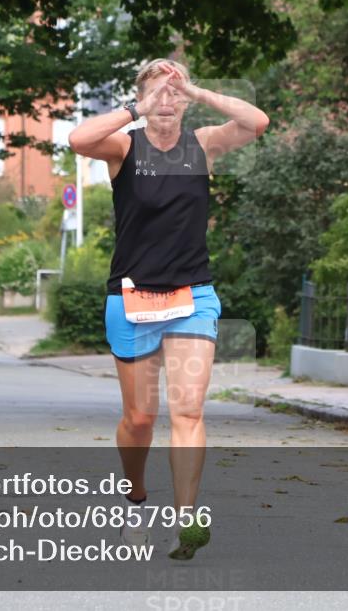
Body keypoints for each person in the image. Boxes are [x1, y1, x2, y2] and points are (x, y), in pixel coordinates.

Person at [68, 58, 268, 559]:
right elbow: (77, 139)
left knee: (188, 408)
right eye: (158, 90)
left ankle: (186, 521)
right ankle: (135, 499)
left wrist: (196, 90)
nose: (167, 98)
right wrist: (134, 107)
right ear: (141, 98)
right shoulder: (124, 147)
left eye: (174, 91)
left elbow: (257, 122)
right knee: (140, 417)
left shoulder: (202, 145)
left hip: (192, 296)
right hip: (132, 296)